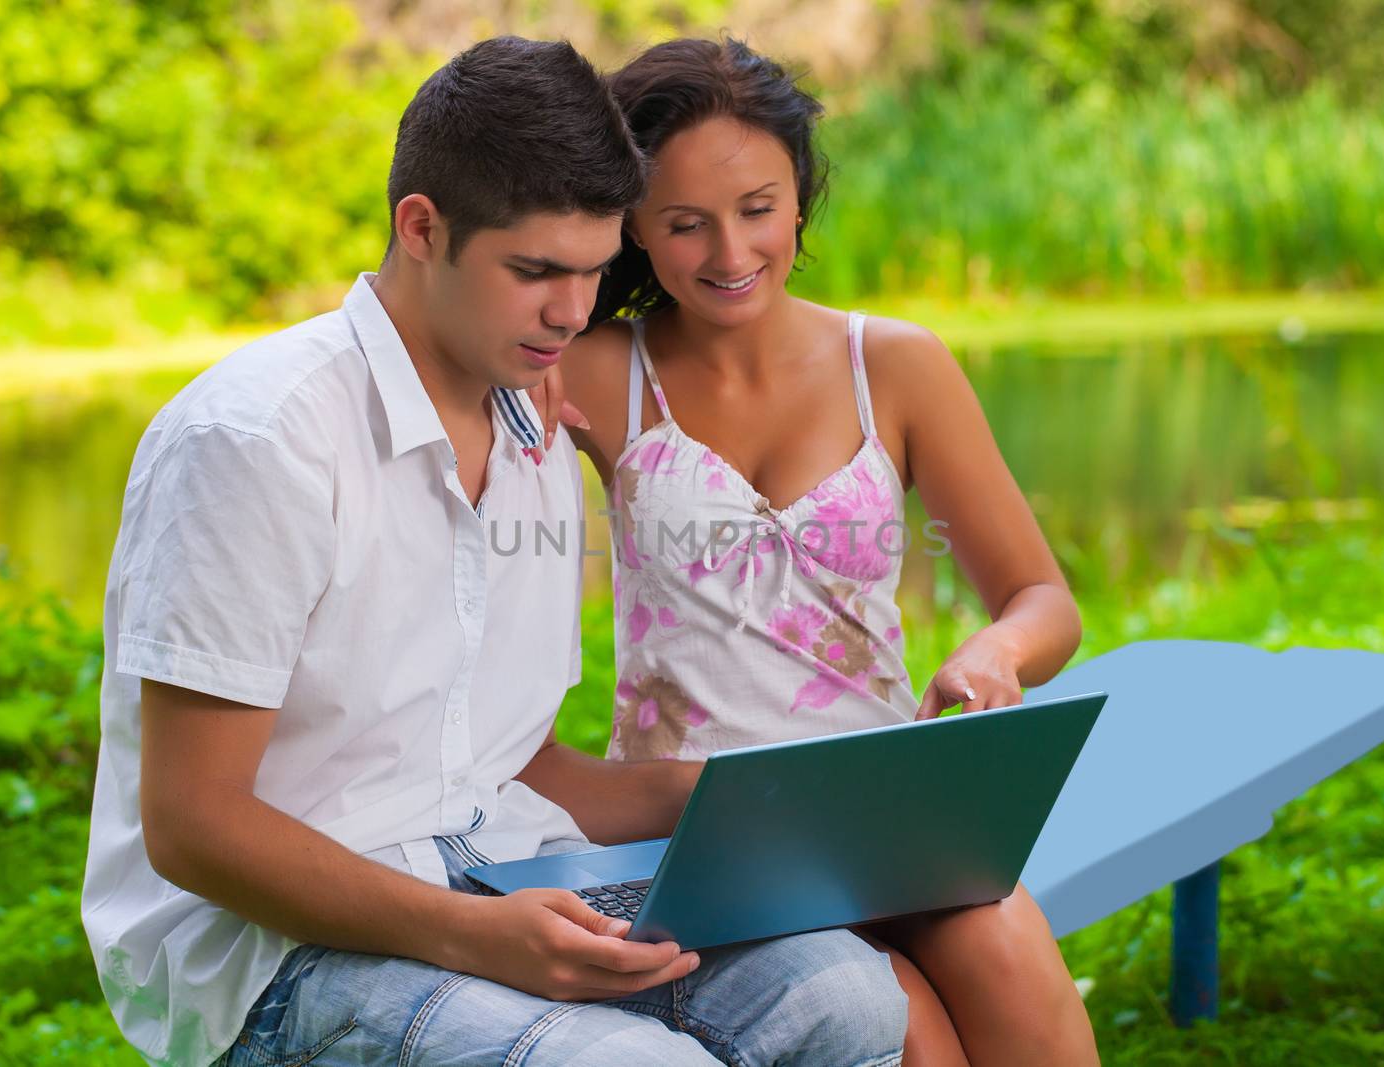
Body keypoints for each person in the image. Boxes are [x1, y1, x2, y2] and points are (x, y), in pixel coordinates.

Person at [81, 37, 907, 1067]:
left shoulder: (531, 437)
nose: (572, 312)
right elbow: (193, 824)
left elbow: (505, 757)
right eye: (534, 272)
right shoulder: (259, 440)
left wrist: (746, 799)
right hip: (280, 953)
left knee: (846, 998)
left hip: (506, 871)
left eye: (596, 270)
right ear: (422, 228)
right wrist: (479, 938)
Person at [553, 37, 1100, 1067]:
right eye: (684, 223)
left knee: (1008, 947)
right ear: (632, 222)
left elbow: (1039, 596)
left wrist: (995, 655)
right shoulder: (593, 370)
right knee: (915, 1037)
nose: (728, 252)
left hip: (885, 806)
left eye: (756, 208)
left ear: (799, 198)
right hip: (702, 831)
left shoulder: (890, 364)